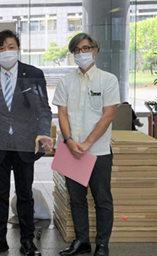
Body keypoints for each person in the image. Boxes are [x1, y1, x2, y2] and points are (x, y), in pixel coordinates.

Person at [0, 29, 53, 256]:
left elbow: (44, 109)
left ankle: (27, 240)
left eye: (11, 47)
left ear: (18, 49)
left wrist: (43, 131)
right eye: (1, 48)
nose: (6, 51)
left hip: (25, 143)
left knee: (25, 193)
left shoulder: (34, 74)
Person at [53, 33, 119, 256]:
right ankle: (82, 241)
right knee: (76, 199)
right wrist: (69, 141)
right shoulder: (66, 81)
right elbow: (61, 113)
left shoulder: (108, 80)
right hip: (71, 150)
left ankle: (102, 244)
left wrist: (88, 143)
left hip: (98, 152)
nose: (82, 53)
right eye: (77, 50)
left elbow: (108, 116)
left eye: (86, 48)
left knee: (102, 199)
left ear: (95, 50)